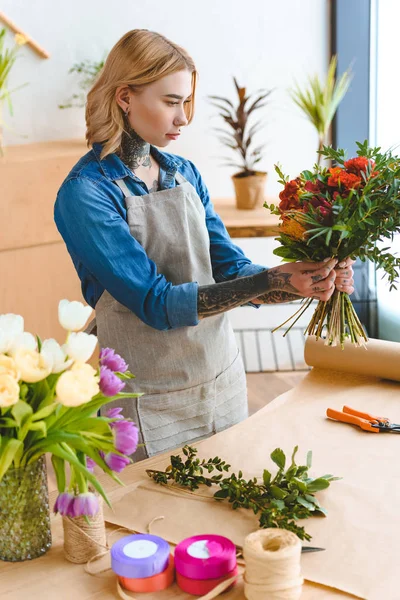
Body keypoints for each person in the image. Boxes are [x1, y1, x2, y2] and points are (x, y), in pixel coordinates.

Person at [54, 29, 354, 461]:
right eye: (172, 102)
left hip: (221, 379)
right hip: (149, 397)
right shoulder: (86, 194)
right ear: (125, 97)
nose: (183, 119)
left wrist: (299, 280)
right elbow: (157, 304)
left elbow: (232, 270)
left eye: (186, 102)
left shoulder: (184, 174)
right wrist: (271, 280)